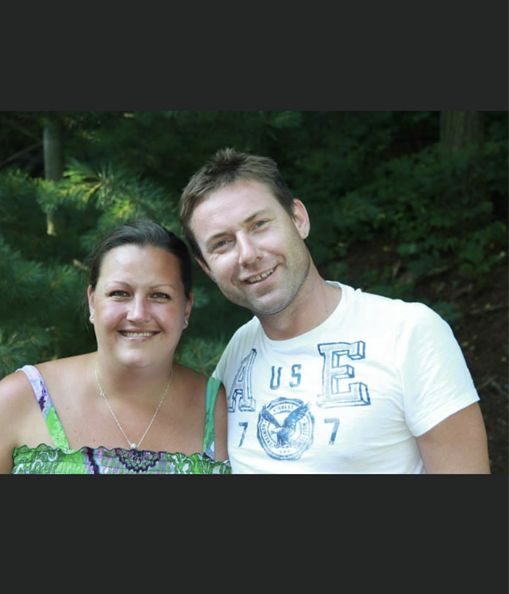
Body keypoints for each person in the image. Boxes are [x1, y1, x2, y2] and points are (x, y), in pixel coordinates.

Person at [179, 148, 490, 475]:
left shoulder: (408, 332)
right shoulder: (238, 352)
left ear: (298, 219)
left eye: (259, 224)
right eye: (222, 244)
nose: (248, 254)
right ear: (207, 267)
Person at [0, 221, 230, 475]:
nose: (138, 314)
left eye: (160, 295)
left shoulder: (219, 409)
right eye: (119, 293)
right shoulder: (22, 397)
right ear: (92, 302)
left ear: (186, 307)